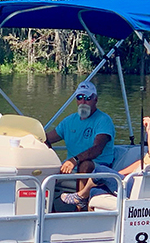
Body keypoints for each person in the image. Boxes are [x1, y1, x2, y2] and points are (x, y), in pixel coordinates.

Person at [44, 81, 117, 211]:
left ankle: (80, 209)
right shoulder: (69, 121)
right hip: (72, 167)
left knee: (85, 164)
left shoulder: (103, 120)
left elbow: (97, 148)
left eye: (88, 98)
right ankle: (48, 212)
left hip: (99, 168)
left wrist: (75, 160)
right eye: (80, 97)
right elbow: (46, 138)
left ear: (95, 100)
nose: (83, 101)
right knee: (46, 171)